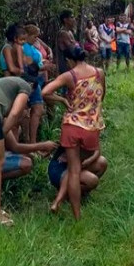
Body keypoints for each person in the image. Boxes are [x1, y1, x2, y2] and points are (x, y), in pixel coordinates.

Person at [0, 68, 58, 225]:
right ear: (32, 85)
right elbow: (14, 113)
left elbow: (13, 138)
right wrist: (0, 134)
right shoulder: (25, 86)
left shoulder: (4, 89)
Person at [41, 45, 105, 219]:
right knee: (81, 166)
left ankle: (77, 216)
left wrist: (62, 99)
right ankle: (64, 203)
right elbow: (101, 96)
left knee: (74, 170)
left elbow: (45, 92)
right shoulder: (99, 72)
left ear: (69, 60)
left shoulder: (69, 76)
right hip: (91, 126)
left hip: (71, 126)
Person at [56, 10, 78, 75]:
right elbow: (73, 50)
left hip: (72, 65)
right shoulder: (63, 33)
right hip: (65, 66)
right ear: (65, 20)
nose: (74, 19)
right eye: (72, 17)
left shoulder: (70, 32)